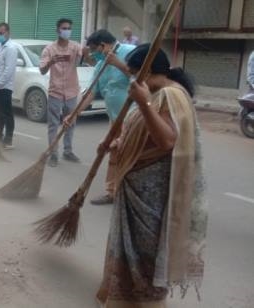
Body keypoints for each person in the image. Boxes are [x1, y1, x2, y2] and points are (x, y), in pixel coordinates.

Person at [96, 44, 207, 307]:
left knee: (144, 260)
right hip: (136, 191)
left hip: (151, 200)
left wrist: (143, 102)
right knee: (131, 256)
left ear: (151, 70)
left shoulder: (170, 95)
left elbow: (167, 141)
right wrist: (120, 142)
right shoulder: (157, 92)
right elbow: (143, 131)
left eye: (137, 73)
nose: (134, 80)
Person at [65, 29, 135, 205]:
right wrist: (74, 115)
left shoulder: (130, 52)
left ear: (103, 46)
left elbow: (141, 78)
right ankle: (112, 192)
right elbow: (90, 93)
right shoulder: (100, 66)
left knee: (130, 155)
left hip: (134, 118)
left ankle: (129, 193)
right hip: (114, 119)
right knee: (113, 153)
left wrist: (118, 63)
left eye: (95, 50)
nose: (93, 55)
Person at [40, 18, 83, 166]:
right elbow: (42, 70)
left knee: (70, 123)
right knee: (53, 124)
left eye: (69, 28)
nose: (67, 31)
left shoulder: (75, 47)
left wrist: (88, 52)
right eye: (64, 28)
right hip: (55, 92)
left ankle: (68, 151)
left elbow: (86, 60)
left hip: (71, 91)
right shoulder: (49, 49)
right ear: (58, 30)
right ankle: (53, 153)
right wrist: (51, 62)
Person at [0, 22, 18, 150]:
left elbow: (8, 71)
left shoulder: (11, 48)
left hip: (4, 87)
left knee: (6, 114)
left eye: (2, 33)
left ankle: (8, 139)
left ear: (8, 33)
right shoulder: (1, 46)